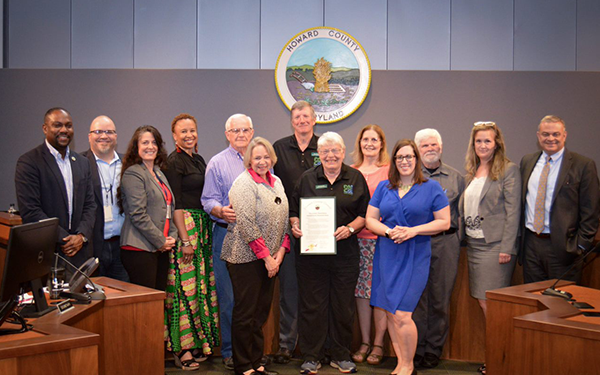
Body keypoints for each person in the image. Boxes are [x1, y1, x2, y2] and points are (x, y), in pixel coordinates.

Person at [366, 139, 450, 375]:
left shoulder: (431, 187)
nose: (404, 161)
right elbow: (370, 219)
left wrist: (413, 230)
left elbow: (444, 222)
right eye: (400, 157)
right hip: (387, 253)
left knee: (403, 312)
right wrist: (388, 231)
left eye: (409, 157)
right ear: (394, 161)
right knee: (391, 312)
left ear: (416, 160)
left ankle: (408, 365)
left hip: (416, 254)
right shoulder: (384, 187)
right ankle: (402, 362)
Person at [290, 132, 370, 375]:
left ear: (343, 152)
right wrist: (295, 225)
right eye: (325, 151)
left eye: (335, 150)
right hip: (312, 256)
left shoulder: (355, 178)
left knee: (342, 306)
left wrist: (350, 228)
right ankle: (312, 356)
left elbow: (365, 214)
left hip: (345, 254)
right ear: (319, 155)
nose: (330, 155)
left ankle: (340, 354)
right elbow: (294, 210)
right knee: (312, 305)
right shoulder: (306, 179)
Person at [222, 137, 290, 375]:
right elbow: (247, 225)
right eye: (257, 157)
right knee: (245, 312)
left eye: (266, 157)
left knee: (260, 313)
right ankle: (243, 365)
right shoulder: (243, 183)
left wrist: (280, 253)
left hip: (271, 259)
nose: (262, 161)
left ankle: (257, 362)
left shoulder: (277, 182)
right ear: (249, 159)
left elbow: (284, 221)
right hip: (245, 258)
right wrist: (267, 258)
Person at [460, 122, 520, 375]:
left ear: (497, 143)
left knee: (491, 306)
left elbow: (513, 211)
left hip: (495, 248)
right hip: (473, 245)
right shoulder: (472, 171)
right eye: (478, 141)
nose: (482, 145)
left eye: (487, 141)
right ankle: (497, 358)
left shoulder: (508, 170)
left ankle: (500, 360)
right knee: (484, 304)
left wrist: (507, 247)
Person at [163, 114, 220, 370]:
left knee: (199, 289)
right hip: (186, 229)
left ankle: (197, 342)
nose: (189, 135)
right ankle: (181, 348)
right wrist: (184, 239)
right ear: (174, 136)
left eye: (192, 131)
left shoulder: (198, 159)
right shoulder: (173, 162)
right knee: (183, 291)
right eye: (183, 132)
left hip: (203, 229)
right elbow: (173, 204)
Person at [201, 114, 255, 370]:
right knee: (229, 298)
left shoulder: (261, 161)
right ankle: (229, 351)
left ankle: (251, 352)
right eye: (235, 130)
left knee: (253, 298)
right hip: (227, 234)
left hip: (257, 239)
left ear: (252, 132)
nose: (241, 134)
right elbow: (207, 200)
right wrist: (220, 210)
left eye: (245, 129)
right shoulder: (217, 163)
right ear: (227, 134)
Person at [15, 107, 96, 272]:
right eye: (57, 125)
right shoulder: (29, 162)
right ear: (45, 128)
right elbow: (31, 211)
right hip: (45, 255)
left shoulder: (82, 162)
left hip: (79, 255)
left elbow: (90, 205)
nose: (64, 130)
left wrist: (81, 236)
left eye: (68, 125)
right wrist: (66, 239)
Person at [520, 115, 600, 283]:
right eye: (545, 134)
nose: (550, 138)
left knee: (562, 305)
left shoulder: (583, 165)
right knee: (533, 299)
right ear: (538, 136)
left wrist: (580, 246)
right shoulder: (528, 162)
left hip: (564, 248)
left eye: (556, 134)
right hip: (531, 245)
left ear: (564, 135)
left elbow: (591, 210)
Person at [272, 100, 320, 364]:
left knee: (314, 289)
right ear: (292, 121)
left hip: (317, 229)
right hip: (287, 228)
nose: (301, 120)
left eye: (306, 116)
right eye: (297, 116)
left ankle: (314, 344)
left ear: (314, 120)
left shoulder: (324, 146)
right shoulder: (280, 147)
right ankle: (286, 344)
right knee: (289, 289)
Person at [412, 129, 464, 369]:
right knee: (417, 298)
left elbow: (461, 214)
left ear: (441, 147)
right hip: (417, 242)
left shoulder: (455, 177)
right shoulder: (409, 176)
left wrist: (457, 242)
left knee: (440, 298)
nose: (430, 149)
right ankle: (417, 348)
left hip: (446, 243)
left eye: (434, 145)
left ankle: (434, 349)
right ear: (417, 150)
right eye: (425, 146)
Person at [349, 125, 390, 366]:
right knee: (361, 294)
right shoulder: (351, 171)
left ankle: (378, 343)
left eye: (375, 139)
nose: (370, 143)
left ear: (382, 143)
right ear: (360, 143)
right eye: (366, 139)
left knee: (380, 293)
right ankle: (364, 341)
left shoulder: (389, 171)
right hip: (357, 242)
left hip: (382, 242)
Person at [118, 125, 177, 291]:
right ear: (136, 147)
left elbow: (168, 210)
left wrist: (171, 237)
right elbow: (138, 214)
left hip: (161, 248)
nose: (150, 146)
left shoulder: (158, 172)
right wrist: (161, 240)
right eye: (144, 142)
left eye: (153, 142)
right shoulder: (133, 173)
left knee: (158, 301)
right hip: (139, 249)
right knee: (147, 306)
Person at [81, 115, 129, 282]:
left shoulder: (128, 164)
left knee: (125, 299)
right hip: (93, 246)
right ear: (89, 136)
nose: (104, 136)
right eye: (98, 131)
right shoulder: (79, 164)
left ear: (115, 136)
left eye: (109, 132)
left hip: (122, 247)